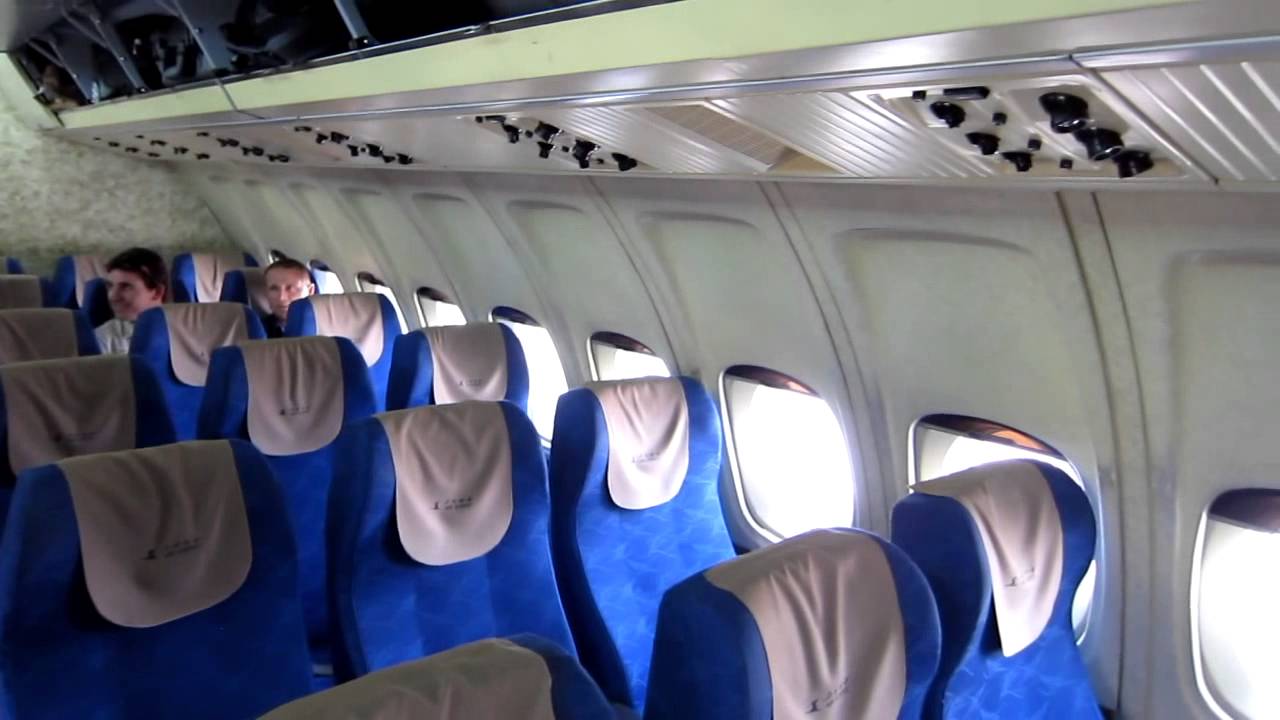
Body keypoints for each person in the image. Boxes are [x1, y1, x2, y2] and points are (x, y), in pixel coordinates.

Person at [95, 247, 167, 354]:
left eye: (126, 287)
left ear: (157, 292)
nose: (112, 296)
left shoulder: (187, 331)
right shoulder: (103, 338)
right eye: (109, 286)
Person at [262, 258, 316, 338]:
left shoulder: (329, 327)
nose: (281, 298)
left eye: (291, 289)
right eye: (274, 289)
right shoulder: (255, 330)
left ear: (310, 291)